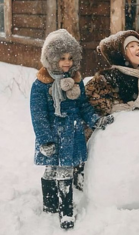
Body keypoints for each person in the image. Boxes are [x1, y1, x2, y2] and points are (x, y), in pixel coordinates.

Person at [30, 29, 113, 229]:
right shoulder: (41, 85)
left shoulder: (76, 81)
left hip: (71, 133)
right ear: (51, 58)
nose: (66, 62)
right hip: (52, 134)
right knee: (51, 169)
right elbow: (38, 114)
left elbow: (83, 105)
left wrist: (94, 119)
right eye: (61, 58)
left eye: (70, 57)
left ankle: (66, 211)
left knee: (65, 170)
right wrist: (45, 140)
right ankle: (50, 203)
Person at [86, 30, 139, 116]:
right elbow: (90, 98)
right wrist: (112, 110)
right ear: (121, 54)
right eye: (132, 46)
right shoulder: (109, 76)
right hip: (119, 124)